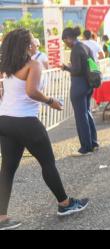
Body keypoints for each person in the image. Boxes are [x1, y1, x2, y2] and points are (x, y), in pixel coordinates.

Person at [0, 28, 89, 230]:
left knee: (7, 169)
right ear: (26, 45)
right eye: (33, 40)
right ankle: (65, 204)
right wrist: (51, 101)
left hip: (4, 120)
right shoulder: (33, 64)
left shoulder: (7, 65)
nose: (36, 43)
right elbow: (31, 91)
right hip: (25, 122)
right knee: (47, 163)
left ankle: (1, 217)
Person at [61, 27, 99, 156]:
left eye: (64, 41)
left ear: (68, 39)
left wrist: (66, 67)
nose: (65, 44)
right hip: (88, 85)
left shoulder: (76, 50)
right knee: (87, 113)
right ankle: (93, 143)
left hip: (78, 86)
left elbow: (77, 70)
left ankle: (85, 147)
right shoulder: (85, 47)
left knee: (80, 116)